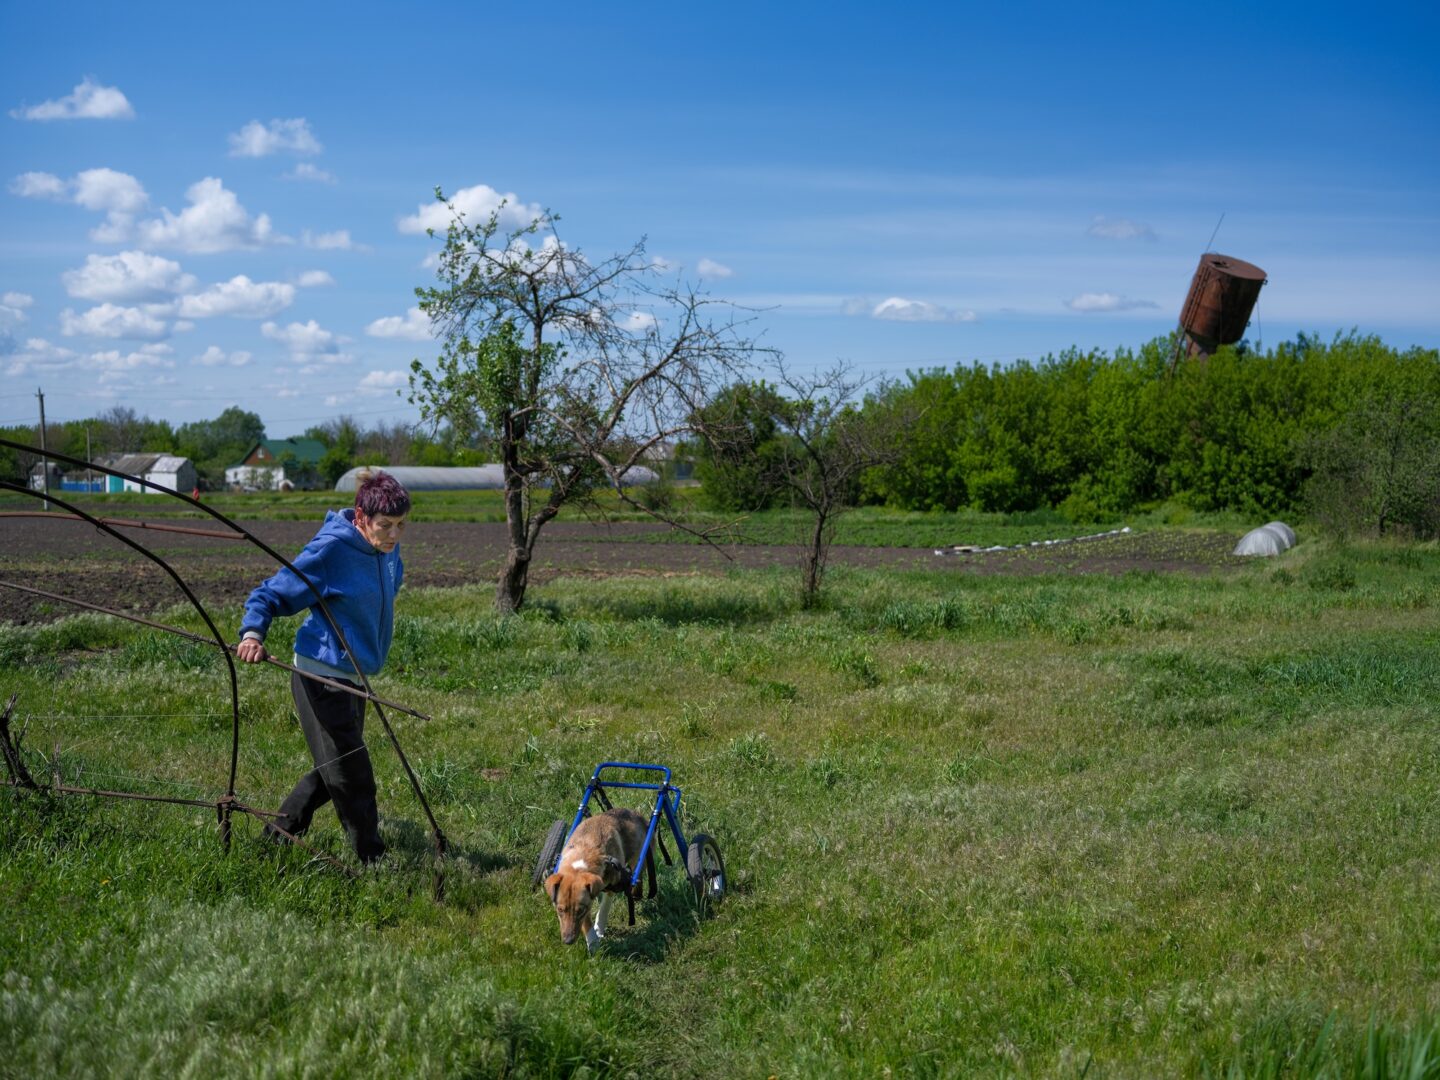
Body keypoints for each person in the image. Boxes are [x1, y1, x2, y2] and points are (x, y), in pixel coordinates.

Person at [236, 473, 410, 864]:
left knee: (333, 768)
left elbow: (387, 584)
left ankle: (275, 839)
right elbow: (272, 591)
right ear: (361, 517)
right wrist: (252, 633)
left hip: (353, 676)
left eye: (401, 525)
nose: (394, 534)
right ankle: (372, 859)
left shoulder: (388, 550)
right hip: (320, 675)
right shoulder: (331, 550)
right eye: (385, 525)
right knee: (352, 773)